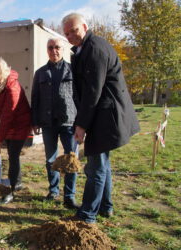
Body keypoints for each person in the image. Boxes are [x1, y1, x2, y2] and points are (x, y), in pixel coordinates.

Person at [62, 13, 140, 223]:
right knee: (102, 164)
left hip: (105, 116)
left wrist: (81, 125)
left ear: (85, 27)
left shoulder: (94, 49)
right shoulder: (84, 49)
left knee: (95, 167)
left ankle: (87, 215)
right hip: (102, 114)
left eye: (74, 31)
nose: (70, 36)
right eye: (66, 33)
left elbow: (92, 92)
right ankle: (106, 206)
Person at [31, 38, 79, 209]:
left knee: (71, 159)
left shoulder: (73, 70)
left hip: (69, 122)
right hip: (48, 122)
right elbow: (35, 98)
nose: (54, 51)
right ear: (47, 50)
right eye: (50, 48)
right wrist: (35, 121)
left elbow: (79, 97)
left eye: (57, 47)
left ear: (63, 49)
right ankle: (53, 191)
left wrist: (81, 122)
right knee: (51, 159)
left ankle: (69, 196)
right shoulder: (40, 73)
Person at [0, 57, 32, 204]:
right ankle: (17, 183)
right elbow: (3, 108)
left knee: (13, 155)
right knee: (13, 155)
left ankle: (10, 191)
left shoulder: (13, 87)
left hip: (20, 123)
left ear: (3, 72)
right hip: (9, 121)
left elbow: (9, 113)